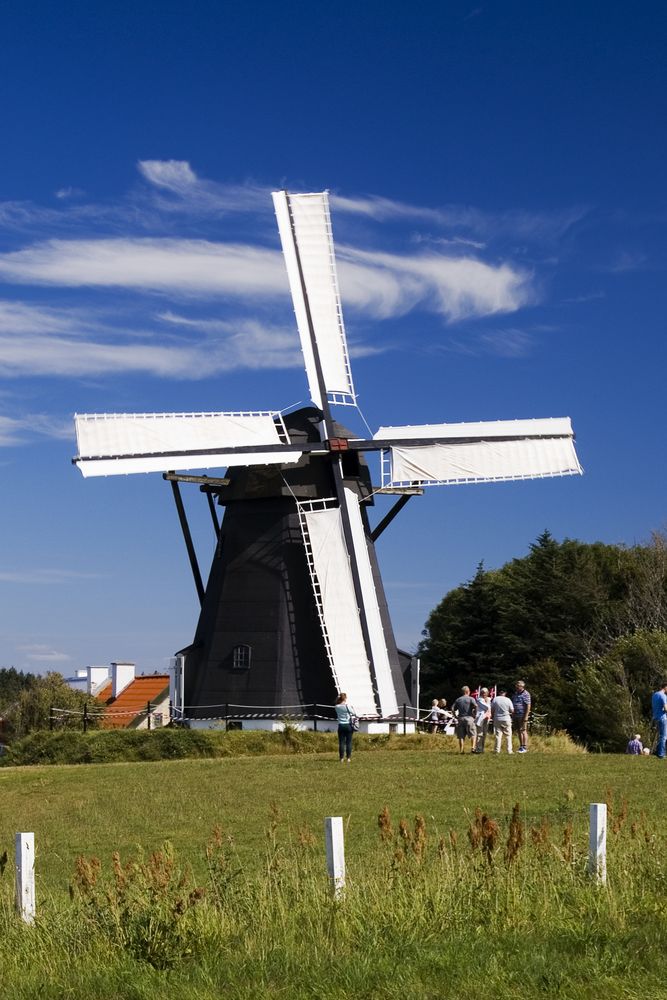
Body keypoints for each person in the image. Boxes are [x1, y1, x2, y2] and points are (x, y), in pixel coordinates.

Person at [452, 686, 478, 754]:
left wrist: (455, 716)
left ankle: (461, 750)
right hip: (469, 718)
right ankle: (473, 748)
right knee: (473, 734)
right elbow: (476, 706)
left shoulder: (458, 699)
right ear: (467, 691)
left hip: (460, 718)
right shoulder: (471, 699)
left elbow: (452, 708)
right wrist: (475, 714)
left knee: (461, 736)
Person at [491, 688, 514, 754]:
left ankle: (497, 750)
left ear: (499, 693)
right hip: (506, 718)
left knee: (498, 735)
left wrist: (492, 716)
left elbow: (492, 709)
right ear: (505, 693)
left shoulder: (495, 699)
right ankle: (509, 750)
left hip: (497, 718)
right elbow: (512, 710)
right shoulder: (508, 700)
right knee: (508, 735)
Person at [335, 692, 356, 763]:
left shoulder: (336, 707)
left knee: (341, 742)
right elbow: (354, 713)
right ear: (345, 698)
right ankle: (348, 758)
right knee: (349, 742)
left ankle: (341, 758)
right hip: (348, 725)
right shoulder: (347, 706)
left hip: (340, 725)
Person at [511, 680, 531, 753]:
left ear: (522, 686)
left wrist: (526, 716)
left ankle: (524, 746)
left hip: (522, 715)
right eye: (516, 686)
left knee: (523, 730)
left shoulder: (526, 694)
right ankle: (521, 746)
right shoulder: (515, 694)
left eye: (518, 686)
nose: (516, 687)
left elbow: (528, 705)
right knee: (519, 731)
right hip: (515, 715)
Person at [651, 682, 667, 759]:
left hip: (655, 717)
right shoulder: (663, 696)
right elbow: (666, 708)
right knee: (663, 736)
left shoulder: (655, 695)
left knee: (659, 736)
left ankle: (657, 752)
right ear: (665, 687)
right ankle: (661, 754)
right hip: (662, 718)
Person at [474, 687, 492, 753]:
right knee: (479, 734)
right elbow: (486, 707)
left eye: (485, 693)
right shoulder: (479, 700)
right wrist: (488, 702)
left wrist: (488, 701)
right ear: (481, 693)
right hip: (480, 719)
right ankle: (478, 749)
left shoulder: (489, 699)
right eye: (483, 693)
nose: (484, 694)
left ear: (487, 693)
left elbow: (490, 708)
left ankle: (482, 748)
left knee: (484, 734)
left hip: (487, 718)